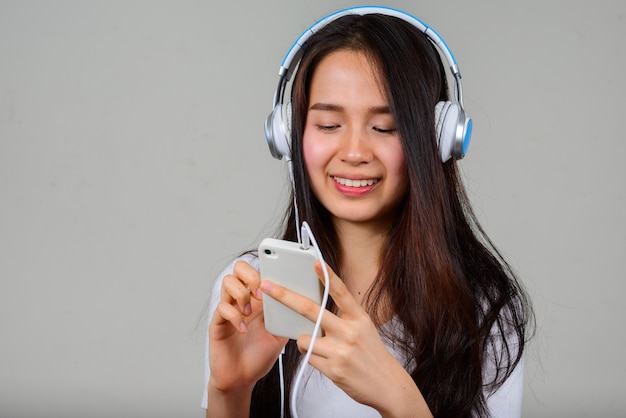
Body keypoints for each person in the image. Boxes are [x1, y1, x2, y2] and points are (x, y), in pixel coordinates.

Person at [202, 6, 533, 418]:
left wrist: (399, 398)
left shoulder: (486, 309)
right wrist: (230, 390)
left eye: (385, 127)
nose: (355, 153)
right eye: (327, 125)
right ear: (289, 136)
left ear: (438, 139)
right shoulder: (252, 291)